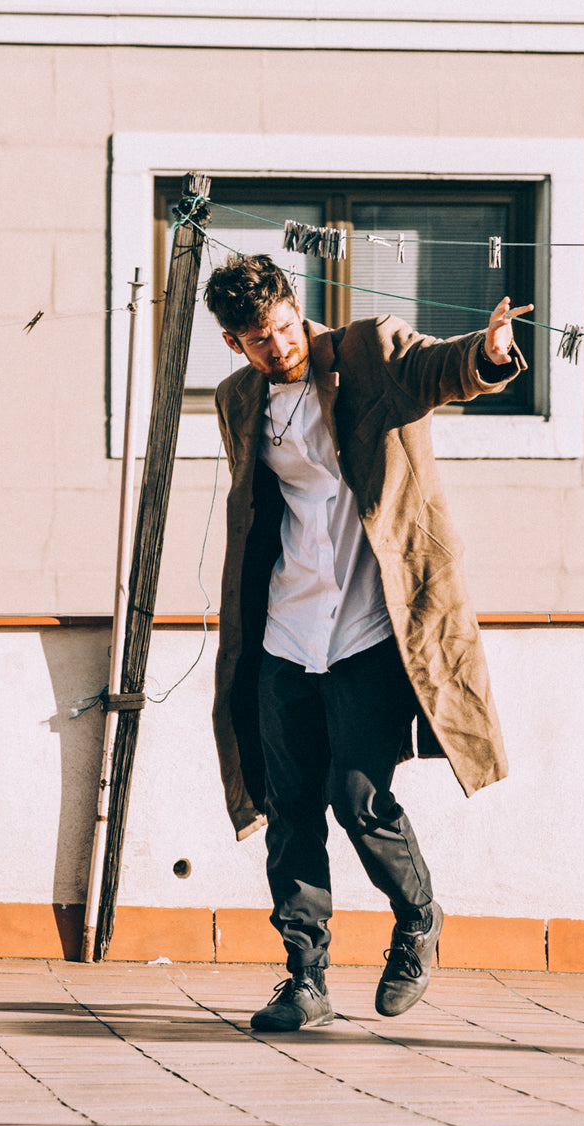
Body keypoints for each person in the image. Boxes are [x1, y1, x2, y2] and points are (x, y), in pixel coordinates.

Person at [204, 253, 528, 1031]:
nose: (277, 346)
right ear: (233, 344)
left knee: (358, 798)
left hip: (371, 623)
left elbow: (435, 371)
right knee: (288, 812)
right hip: (285, 628)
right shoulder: (238, 400)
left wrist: (485, 356)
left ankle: (417, 919)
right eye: (257, 339)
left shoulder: (364, 353)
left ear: (297, 308)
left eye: (283, 327)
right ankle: (304, 977)